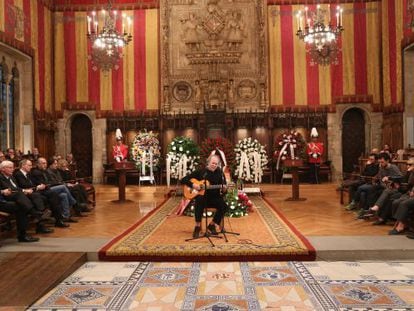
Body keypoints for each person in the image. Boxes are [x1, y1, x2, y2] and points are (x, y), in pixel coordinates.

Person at [181, 154, 227, 239]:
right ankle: (197, 226)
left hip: (214, 198)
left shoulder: (220, 172)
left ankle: (212, 225)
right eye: (213, 163)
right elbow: (183, 180)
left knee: (224, 206)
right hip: (203, 198)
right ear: (208, 162)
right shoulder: (201, 171)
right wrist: (194, 185)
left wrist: (224, 190)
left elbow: (224, 189)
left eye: (216, 164)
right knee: (199, 200)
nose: (214, 165)